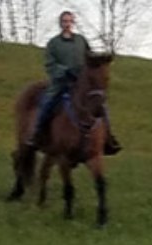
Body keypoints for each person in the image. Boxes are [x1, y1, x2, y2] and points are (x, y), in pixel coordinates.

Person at [26, 11, 121, 154]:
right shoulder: (53, 44)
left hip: (81, 84)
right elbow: (50, 65)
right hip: (61, 83)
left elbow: (90, 57)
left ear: (73, 23)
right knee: (47, 103)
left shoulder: (81, 40)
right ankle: (37, 135)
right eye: (64, 21)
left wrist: (103, 57)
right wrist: (64, 71)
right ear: (60, 23)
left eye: (69, 21)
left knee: (102, 107)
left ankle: (109, 138)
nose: (67, 24)